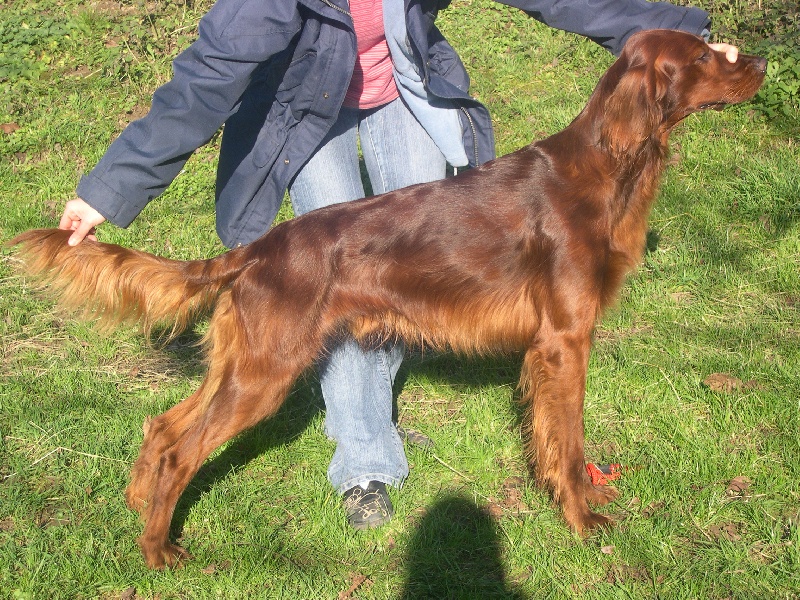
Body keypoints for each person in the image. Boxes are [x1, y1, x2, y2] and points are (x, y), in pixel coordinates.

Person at [58, 0, 739, 530]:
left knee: (411, 271)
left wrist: (687, 34)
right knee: (338, 279)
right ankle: (365, 462)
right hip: (304, 110)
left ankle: (414, 422)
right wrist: (107, 190)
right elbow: (204, 80)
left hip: (401, 94)